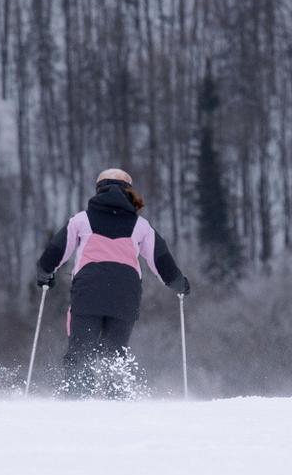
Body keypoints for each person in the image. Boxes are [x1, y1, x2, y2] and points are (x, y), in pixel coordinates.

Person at [34, 168, 189, 397]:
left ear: (98, 190)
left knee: (81, 352)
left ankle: (77, 400)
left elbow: (56, 251)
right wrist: (179, 285)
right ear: (129, 192)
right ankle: (115, 401)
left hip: (88, 294)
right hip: (125, 296)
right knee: (114, 355)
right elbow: (161, 259)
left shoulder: (81, 220)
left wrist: (45, 274)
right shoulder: (141, 226)